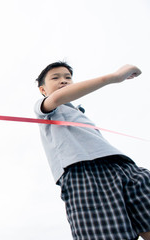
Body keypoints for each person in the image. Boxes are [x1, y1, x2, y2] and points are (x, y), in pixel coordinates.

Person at [34, 61, 150, 240]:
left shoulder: (78, 111)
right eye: (55, 78)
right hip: (84, 172)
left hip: (122, 165)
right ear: (43, 90)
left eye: (68, 77)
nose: (63, 80)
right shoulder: (46, 107)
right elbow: (57, 98)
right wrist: (114, 77)